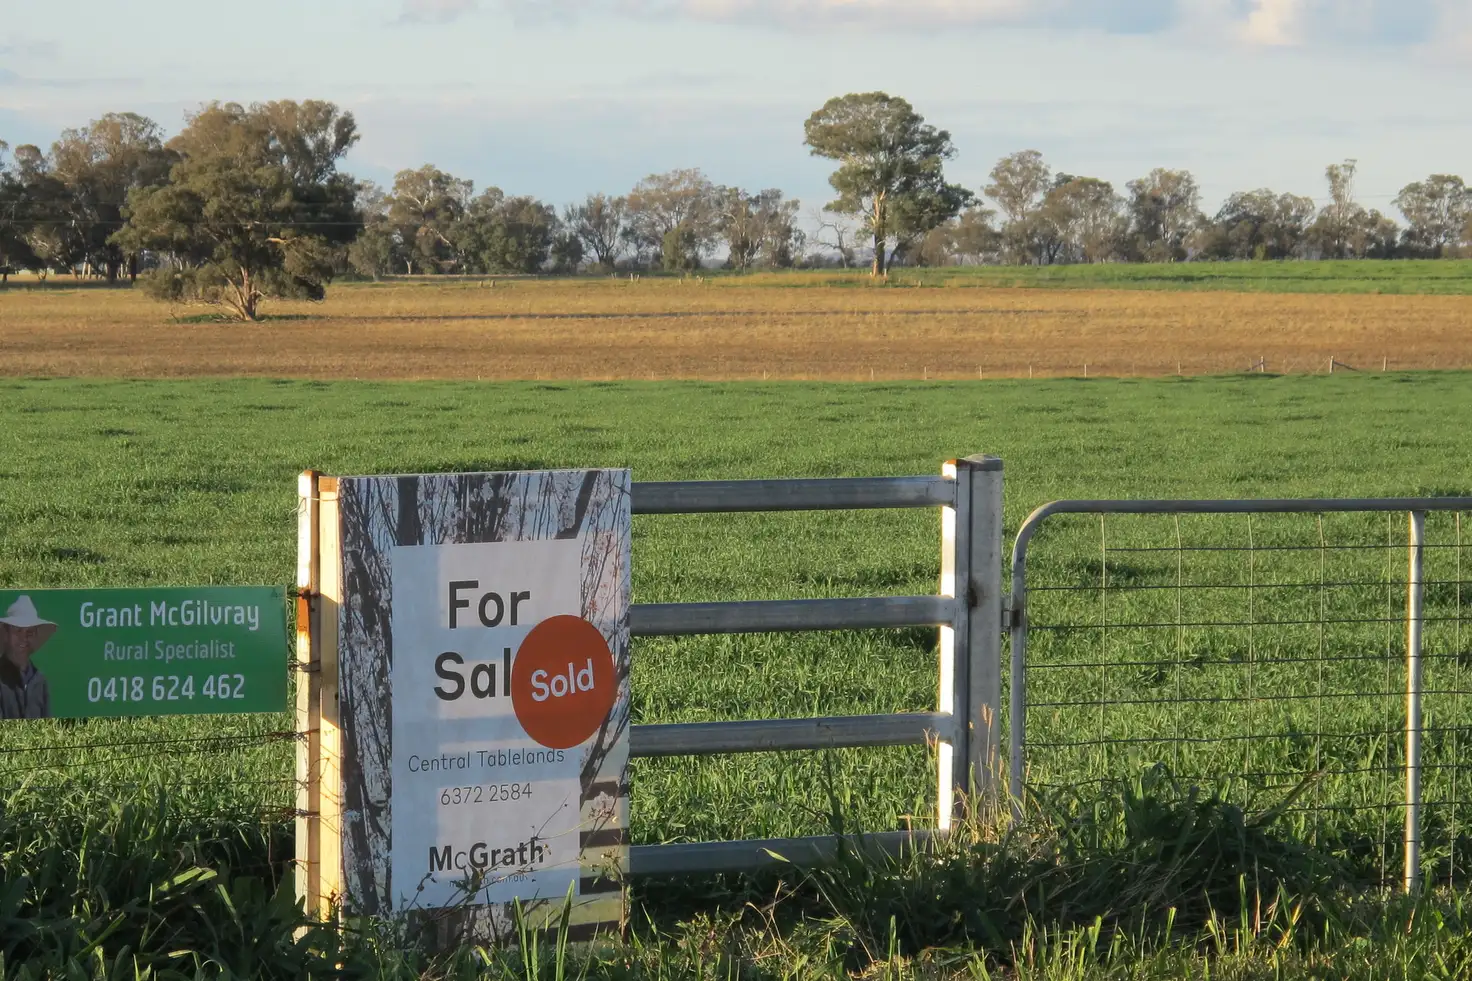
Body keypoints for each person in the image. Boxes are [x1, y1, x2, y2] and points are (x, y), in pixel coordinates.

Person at [0, 595, 56, 720]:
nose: (23, 638)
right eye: (17, 630)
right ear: (6, 633)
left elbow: (47, 726)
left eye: (29, 632)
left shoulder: (40, 681)